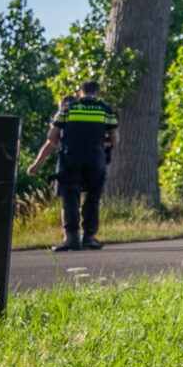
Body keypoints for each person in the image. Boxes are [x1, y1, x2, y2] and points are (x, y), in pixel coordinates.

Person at [29, 80, 117, 251]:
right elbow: (115, 138)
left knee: (70, 196)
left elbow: (51, 135)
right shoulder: (105, 109)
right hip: (95, 156)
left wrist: (60, 144)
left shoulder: (68, 109)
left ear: (79, 93)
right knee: (93, 196)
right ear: (97, 93)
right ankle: (89, 237)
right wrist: (101, 142)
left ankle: (72, 237)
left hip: (71, 156)